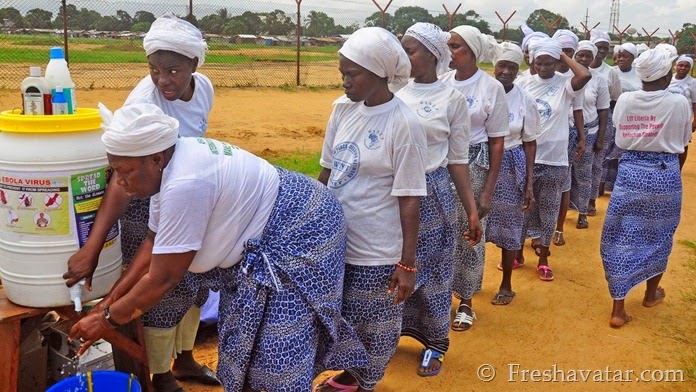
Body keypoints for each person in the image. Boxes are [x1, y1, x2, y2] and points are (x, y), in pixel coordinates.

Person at [69, 103, 366, 392]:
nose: (119, 181)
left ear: (156, 159)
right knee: (245, 338)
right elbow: (152, 243)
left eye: (125, 171)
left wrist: (107, 319)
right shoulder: (169, 167)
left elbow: (163, 278)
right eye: (115, 171)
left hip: (303, 227)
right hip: (268, 231)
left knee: (279, 347)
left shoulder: (186, 182)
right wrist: (106, 306)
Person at [64, 15, 217, 392]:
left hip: (185, 189)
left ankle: (184, 359)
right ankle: (159, 374)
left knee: (195, 280)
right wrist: (92, 247)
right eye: (154, 70)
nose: (163, 80)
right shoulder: (143, 103)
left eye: (173, 71)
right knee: (157, 286)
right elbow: (121, 180)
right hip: (142, 195)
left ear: (194, 66)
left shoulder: (204, 89)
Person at [313, 27, 428, 392]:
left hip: (376, 250)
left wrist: (406, 263)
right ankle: (349, 375)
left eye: (353, 74)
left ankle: (363, 383)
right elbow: (327, 171)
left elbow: (410, 196)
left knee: (373, 326)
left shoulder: (404, 123)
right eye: (342, 73)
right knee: (338, 318)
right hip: (335, 240)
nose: (345, 81)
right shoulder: (343, 111)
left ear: (380, 73)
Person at [395, 22, 482, 377]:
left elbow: (458, 161)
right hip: (398, 196)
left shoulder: (452, 100)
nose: (403, 56)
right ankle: (390, 337)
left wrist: (472, 212)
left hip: (435, 198)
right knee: (394, 268)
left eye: (410, 50)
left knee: (433, 274)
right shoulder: (396, 92)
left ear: (432, 54)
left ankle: (434, 344)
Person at [600, 46, 691, 328]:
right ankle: (651, 294)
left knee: (621, 235)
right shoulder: (678, 102)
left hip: (629, 173)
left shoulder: (626, 99)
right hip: (664, 174)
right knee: (660, 235)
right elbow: (684, 140)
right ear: (666, 74)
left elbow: (618, 129)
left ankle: (618, 308)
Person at [440, 25, 509, 331]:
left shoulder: (490, 88)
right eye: (448, 46)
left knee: (469, 231)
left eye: (456, 46)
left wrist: (488, 192)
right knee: (440, 230)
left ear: (473, 52)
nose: (449, 51)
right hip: (441, 165)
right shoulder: (441, 81)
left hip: (474, 165)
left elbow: (496, 141)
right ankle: (438, 297)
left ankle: (466, 301)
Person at [517, 37, 591, 282]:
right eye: (540, 63)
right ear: (533, 62)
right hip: (525, 157)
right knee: (522, 210)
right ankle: (517, 253)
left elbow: (584, 75)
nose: (544, 68)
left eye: (549, 63)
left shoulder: (565, 84)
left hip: (554, 160)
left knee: (548, 210)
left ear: (557, 61)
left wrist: (563, 55)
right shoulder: (524, 83)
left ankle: (544, 258)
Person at [489, 42, 538, 304]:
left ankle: (506, 285)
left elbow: (530, 142)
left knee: (509, 227)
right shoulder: (482, 92)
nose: (506, 71)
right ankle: (468, 287)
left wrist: (529, 183)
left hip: (510, 166)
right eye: (502, 65)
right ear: (494, 67)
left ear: (518, 70)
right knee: (471, 225)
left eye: (512, 67)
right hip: (480, 163)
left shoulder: (525, 99)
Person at [569, 41, 610, 230]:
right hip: (566, 132)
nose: (584, 59)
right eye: (580, 55)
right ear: (575, 55)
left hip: (589, 132)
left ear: (593, 58)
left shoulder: (599, 79)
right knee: (565, 174)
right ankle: (564, 211)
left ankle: (583, 212)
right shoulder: (565, 76)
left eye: (588, 56)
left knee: (584, 174)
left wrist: (601, 138)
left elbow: (603, 110)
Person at [550, 29, 585, 246]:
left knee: (563, 185)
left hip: (565, 136)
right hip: (541, 136)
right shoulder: (540, 73)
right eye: (560, 49)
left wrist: (582, 138)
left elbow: (578, 110)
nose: (564, 54)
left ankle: (559, 228)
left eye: (568, 51)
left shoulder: (573, 80)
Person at [588, 30, 622, 216]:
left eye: (605, 48)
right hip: (579, 121)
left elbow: (615, 100)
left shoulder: (610, 73)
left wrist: (606, 127)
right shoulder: (578, 68)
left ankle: (591, 201)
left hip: (603, 119)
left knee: (596, 163)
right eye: (598, 47)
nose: (601, 51)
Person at [603, 43, 642, 193]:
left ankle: (618, 185)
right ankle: (603, 185)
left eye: (625, 56)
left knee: (623, 152)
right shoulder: (611, 72)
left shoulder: (639, 75)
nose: (621, 59)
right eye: (619, 56)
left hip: (631, 119)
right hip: (611, 115)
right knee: (607, 151)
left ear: (633, 57)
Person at [667, 55, 696, 168]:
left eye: (687, 66)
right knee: (667, 142)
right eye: (681, 65)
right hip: (668, 117)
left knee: (683, 145)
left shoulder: (693, 82)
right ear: (676, 66)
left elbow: (694, 102)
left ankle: (679, 169)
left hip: (685, 120)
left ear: (690, 68)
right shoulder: (669, 79)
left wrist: (694, 122)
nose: (683, 68)